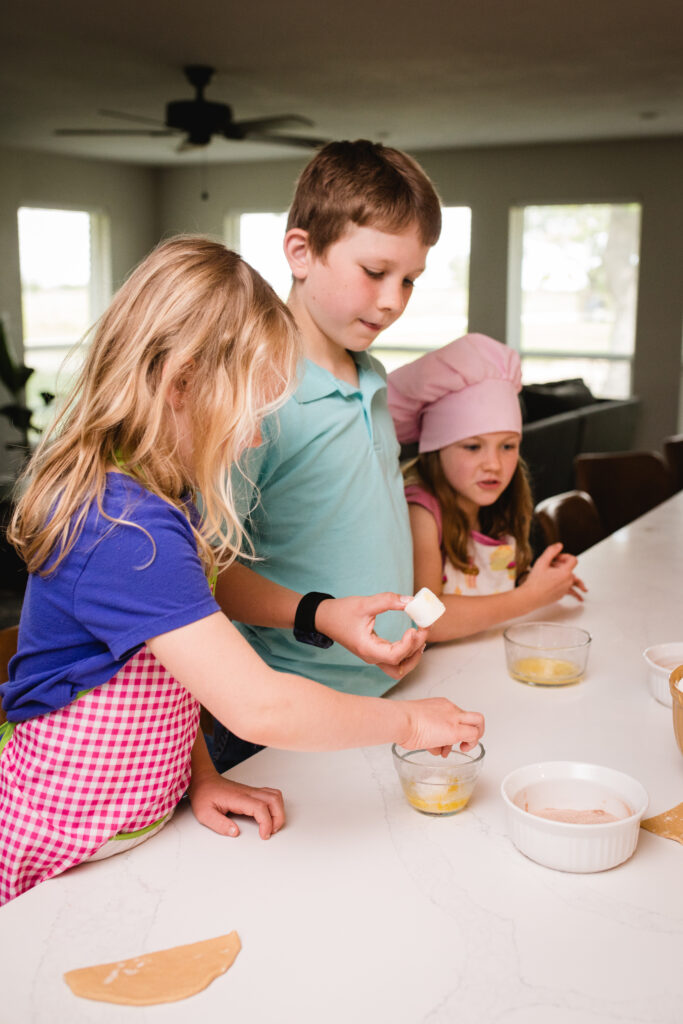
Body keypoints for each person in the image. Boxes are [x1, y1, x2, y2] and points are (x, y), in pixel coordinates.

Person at [0, 237, 484, 905]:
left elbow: (175, 648)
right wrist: (409, 725)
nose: (256, 436)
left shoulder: (163, 496)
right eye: (252, 413)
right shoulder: (119, 526)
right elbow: (259, 705)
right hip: (51, 849)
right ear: (184, 384)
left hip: (129, 834)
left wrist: (198, 773)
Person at [210, 139, 444, 772]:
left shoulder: (373, 375)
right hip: (291, 719)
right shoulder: (256, 394)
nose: (394, 300)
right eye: (375, 273)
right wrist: (322, 617)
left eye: (410, 280)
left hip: (388, 694)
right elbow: (208, 573)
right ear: (301, 252)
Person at [387, 334, 587, 643]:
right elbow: (424, 619)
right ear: (435, 450)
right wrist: (530, 597)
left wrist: (537, 581)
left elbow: (491, 580)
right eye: (472, 447)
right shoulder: (421, 513)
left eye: (507, 446)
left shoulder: (498, 499)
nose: (493, 464)